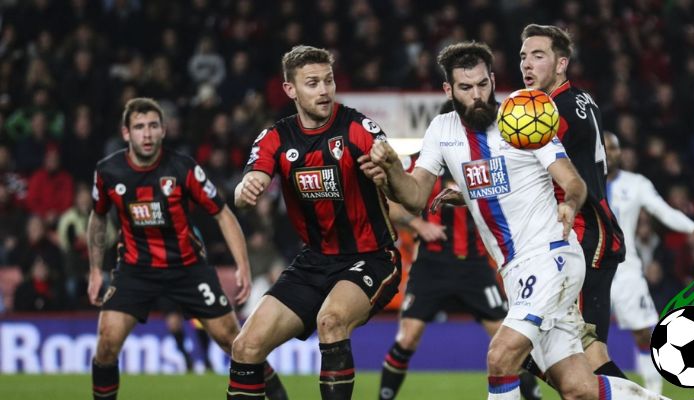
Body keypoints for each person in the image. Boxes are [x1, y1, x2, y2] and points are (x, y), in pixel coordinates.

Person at [360, 41, 667, 400]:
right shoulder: (442, 130)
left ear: (492, 80)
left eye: (482, 84)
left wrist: (569, 202)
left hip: (551, 256)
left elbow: (572, 181)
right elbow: (413, 198)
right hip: (515, 271)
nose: (476, 95)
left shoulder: (523, 115)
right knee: (578, 388)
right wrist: (393, 171)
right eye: (465, 87)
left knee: (501, 356)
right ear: (448, 90)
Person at [227, 45, 401, 400]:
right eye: (312, 83)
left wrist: (390, 172)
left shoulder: (358, 128)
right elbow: (242, 193)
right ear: (290, 89)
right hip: (314, 261)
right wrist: (247, 190)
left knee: (331, 320)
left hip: (371, 256)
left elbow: (403, 185)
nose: (324, 90)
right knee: (245, 347)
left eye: (328, 81)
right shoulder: (276, 138)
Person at [87, 98, 287, 400]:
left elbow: (222, 213)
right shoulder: (108, 172)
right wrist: (93, 270)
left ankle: (279, 397)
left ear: (163, 130)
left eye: (153, 126)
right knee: (106, 343)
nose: (147, 133)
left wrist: (242, 266)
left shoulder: (183, 169)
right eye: (139, 127)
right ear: (126, 133)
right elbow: (98, 217)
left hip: (188, 268)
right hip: (135, 268)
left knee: (235, 342)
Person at [378, 149, 541, 400]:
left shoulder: (484, 161)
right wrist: (418, 224)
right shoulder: (419, 163)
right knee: (407, 338)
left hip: (474, 268)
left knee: (511, 342)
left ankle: (534, 396)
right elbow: (386, 202)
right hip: (430, 267)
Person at [518, 24, 627, 378]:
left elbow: (523, 166)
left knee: (581, 359)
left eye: (538, 56)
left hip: (581, 237)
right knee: (587, 357)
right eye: (523, 56)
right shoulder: (582, 98)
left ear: (561, 64)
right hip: (597, 233)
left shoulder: (551, 111)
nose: (527, 65)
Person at [604, 132, 694, 393]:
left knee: (643, 333)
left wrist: (692, 227)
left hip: (625, 269)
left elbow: (663, 210)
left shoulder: (636, 184)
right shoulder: (580, 179)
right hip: (587, 270)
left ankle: (653, 393)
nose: (609, 152)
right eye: (603, 147)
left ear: (619, 153)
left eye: (613, 147)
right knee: (584, 338)